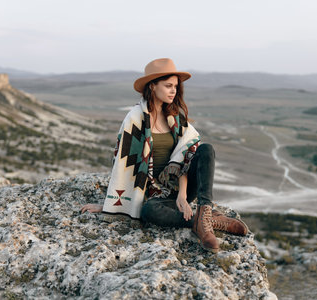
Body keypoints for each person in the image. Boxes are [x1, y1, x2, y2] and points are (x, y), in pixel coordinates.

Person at [81, 58, 248, 253]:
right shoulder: (135, 119)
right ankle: (203, 223)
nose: (173, 91)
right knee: (148, 212)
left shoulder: (175, 118)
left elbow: (186, 158)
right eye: (168, 86)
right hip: (155, 194)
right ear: (152, 86)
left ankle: (204, 212)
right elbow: (124, 165)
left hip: (180, 189)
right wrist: (109, 205)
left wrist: (183, 197)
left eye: (175, 86)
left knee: (205, 149)